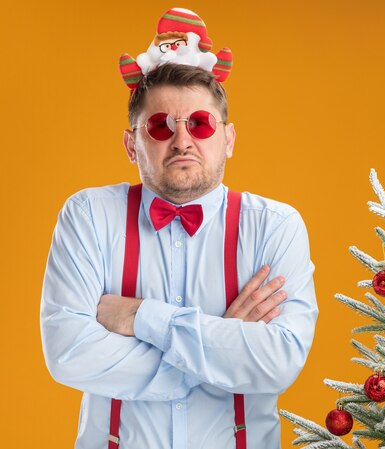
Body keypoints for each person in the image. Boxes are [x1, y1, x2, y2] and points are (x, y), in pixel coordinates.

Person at [40, 8, 317, 449]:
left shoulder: (275, 226)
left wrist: (140, 317)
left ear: (227, 138)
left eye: (201, 124)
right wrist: (219, 345)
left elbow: (279, 361)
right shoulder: (88, 215)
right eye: (160, 125)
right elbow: (68, 352)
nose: (183, 140)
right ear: (132, 143)